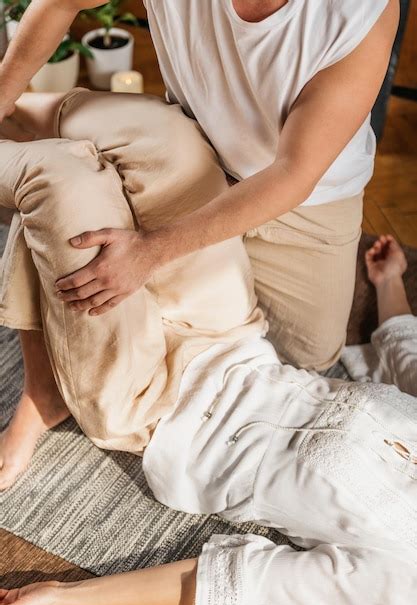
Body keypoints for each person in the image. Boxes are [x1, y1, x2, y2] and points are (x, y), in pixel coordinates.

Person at [0, 91, 417, 605]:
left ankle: (47, 389)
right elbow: (405, 347)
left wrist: (59, 597)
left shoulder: (398, 576)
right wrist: (389, 282)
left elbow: (237, 580)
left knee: (59, 177)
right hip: (228, 334)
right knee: (163, 136)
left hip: (152, 402)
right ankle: (14, 90)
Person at [0, 0, 400, 370]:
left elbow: (293, 173)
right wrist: (4, 91)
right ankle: (23, 118)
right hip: (191, 146)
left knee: (305, 361)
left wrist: (148, 253)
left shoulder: (363, 10)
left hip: (310, 199)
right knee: (80, 222)